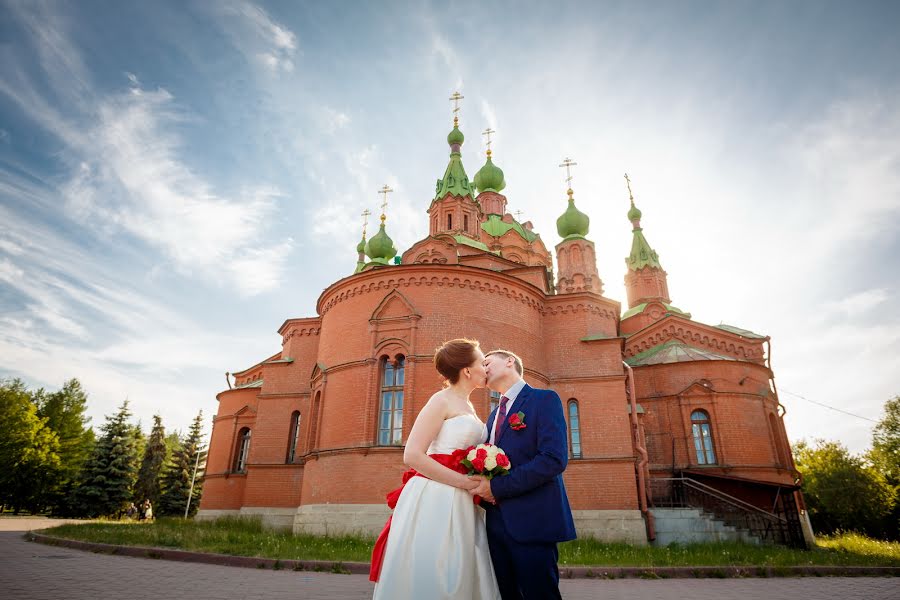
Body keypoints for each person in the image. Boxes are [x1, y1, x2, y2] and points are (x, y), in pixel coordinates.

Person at [371, 339, 500, 599]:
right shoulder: (440, 401)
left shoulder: (470, 406)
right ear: (467, 371)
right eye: (481, 361)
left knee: (464, 565)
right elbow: (413, 455)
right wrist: (465, 483)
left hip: (462, 500)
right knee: (439, 569)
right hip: (436, 497)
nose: (486, 367)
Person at [469, 349, 577, 600]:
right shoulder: (494, 416)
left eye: (487, 362)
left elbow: (553, 459)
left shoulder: (543, 400)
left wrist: (496, 489)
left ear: (509, 362)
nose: (483, 368)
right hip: (496, 525)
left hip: (533, 521)